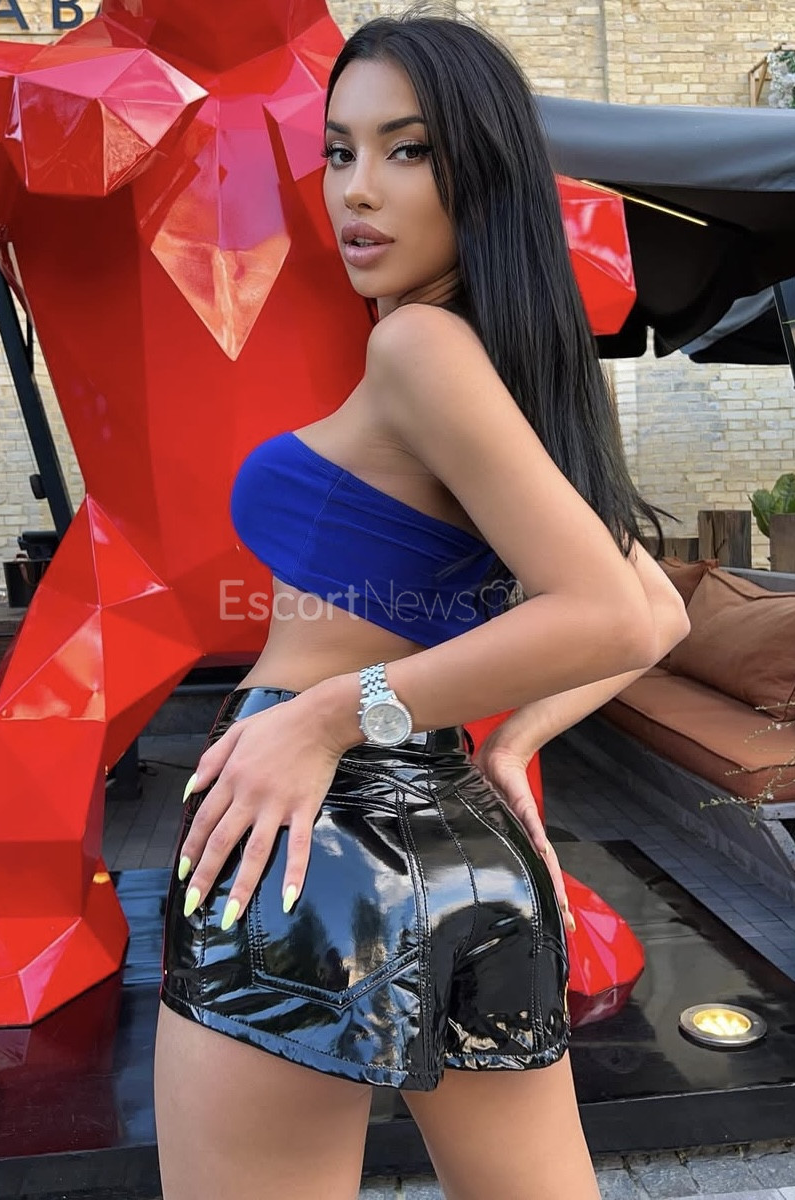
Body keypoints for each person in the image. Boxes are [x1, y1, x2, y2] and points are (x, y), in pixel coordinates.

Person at [154, 11, 689, 1199]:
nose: (357, 189)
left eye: (406, 150)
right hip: (468, 849)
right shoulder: (504, 364)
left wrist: (325, 716)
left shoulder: (421, 350)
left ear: (481, 170)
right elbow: (659, 611)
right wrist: (507, 745)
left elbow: (609, 614)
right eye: (338, 151)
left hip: (306, 841)